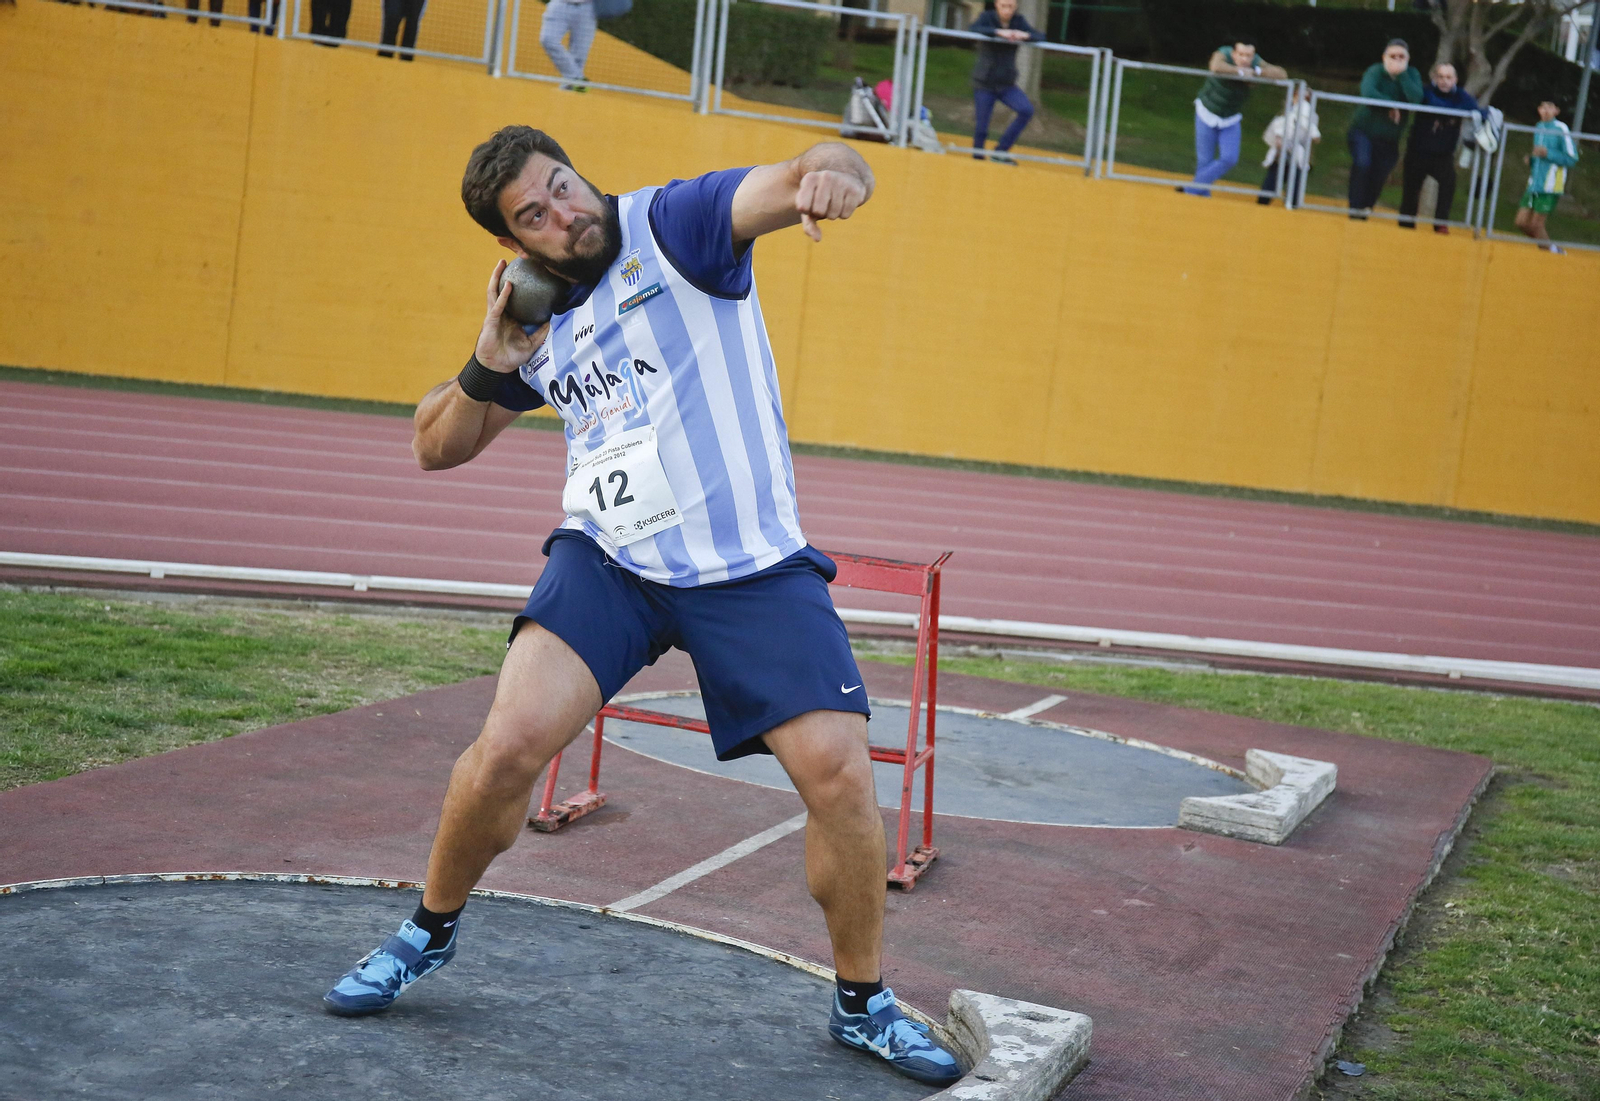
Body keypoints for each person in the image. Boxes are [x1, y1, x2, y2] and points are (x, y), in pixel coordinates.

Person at [320, 125, 962, 1090]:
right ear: (513, 245)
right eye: (533, 214)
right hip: (612, 562)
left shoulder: (675, 226)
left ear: (580, 172)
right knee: (504, 749)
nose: (564, 213)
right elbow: (434, 444)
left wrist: (836, 180)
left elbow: (808, 171)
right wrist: (489, 353)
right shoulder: (537, 321)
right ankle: (426, 931)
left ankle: (863, 1004)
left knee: (838, 777)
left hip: (749, 567)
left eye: (563, 187)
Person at [1183, 38, 1287, 197]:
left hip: (1230, 118)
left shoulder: (1255, 63)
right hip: (1206, 112)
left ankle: (1191, 189)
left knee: (1230, 158)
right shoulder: (1223, 53)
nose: (1245, 59)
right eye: (1241, 54)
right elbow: (1216, 66)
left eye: (1249, 55)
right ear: (1233, 53)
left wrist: (1257, 72)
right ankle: (1199, 197)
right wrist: (1239, 72)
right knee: (1205, 161)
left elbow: (1281, 74)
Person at [1398, 63, 1486, 233]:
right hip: (1418, 150)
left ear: (1455, 79)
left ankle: (1440, 223)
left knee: (1448, 183)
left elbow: (1478, 111)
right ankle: (1406, 225)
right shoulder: (1425, 91)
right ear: (1434, 78)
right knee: (1411, 190)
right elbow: (1434, 104)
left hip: (1443, 154)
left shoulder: (1461, 95)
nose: (1444, 81)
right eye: (1440, 77)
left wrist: (1463, 111)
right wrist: (1457, 111)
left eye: (1448, 77)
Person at [1347, 39, 1423, 216]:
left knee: (1379, 175)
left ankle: (1366, 208)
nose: (1396, 60)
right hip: (1363, 131)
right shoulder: (1375, 71)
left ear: (1408, 58)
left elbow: (1416, 99)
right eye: (1392, 56)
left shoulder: (1412, 74)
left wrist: (1402, 75)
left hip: (1389, 138)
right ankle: (1354, 208)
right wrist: (1391, 105)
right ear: (1384, 57)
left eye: (1401, 57)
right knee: (1362, 163)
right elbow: (1368, 92)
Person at [969, 0, 1043, 165]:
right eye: (1003, 6)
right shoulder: (987, 17)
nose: (1007, 10)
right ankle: (977, 159)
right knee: (982, 127)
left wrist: (1026, 35)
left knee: (1026, 110)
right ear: (996, 5)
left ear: (1015, 6)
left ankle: (1000, 151)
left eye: (1010, 6)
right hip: (984, 82)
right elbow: (974, 28)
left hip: (1006, 84)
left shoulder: (1018, 21)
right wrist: (998, 33)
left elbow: (1039, 36)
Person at [1515, 99, 1580, 254]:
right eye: (1543, 107)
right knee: (1521, 223)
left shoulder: (1560, 128)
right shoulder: (1539, 127)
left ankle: (1551, 251)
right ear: (1538, 109)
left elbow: (1571, 158)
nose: (1545, 110)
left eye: (1549, 107)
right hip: (1534, 182)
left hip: (1550, 183)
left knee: (1536, 225)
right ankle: (1547, 246)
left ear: (1556, 111)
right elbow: (1538, 152)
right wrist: (1531, 159)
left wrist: (1548, 154)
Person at [1257, 83, 1319, 206]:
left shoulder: (1311, 116)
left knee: (1295, 181)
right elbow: (1277, 129)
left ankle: (1292, 203)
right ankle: (1264, 201)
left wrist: (1309, 157)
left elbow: (1311, 138)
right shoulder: (1286, 112)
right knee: (1272, 180)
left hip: (1297, 156)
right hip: (1281, 155)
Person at [540, 0, 597, 90]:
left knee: (579, 55)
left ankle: (571, 86)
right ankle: (576, 79)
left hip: (587, 7)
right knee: (548, 39)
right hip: (559, 5)